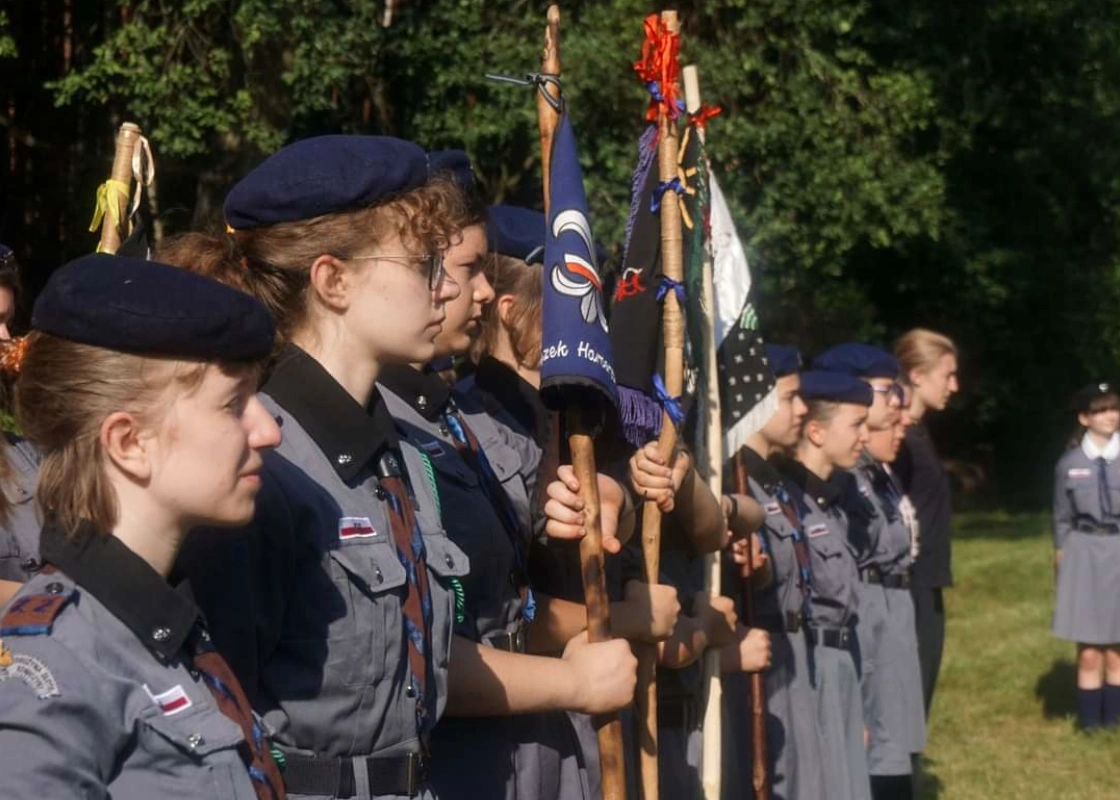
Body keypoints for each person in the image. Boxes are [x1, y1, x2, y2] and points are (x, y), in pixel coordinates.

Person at [375, 162, 641, 800]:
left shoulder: (460, 415)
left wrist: (617, 502)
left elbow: (525, 567)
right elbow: (443, 633)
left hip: (535, 719)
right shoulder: (436, 413)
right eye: (463, 271)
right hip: (474, 742)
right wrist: (618, 627)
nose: (482, 292)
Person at [0, 253, 286, 799]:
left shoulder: (162, 626)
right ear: (129, 443)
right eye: (234, 404)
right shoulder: (56, 668)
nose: (268, 430)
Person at [815, 344, 923, 800]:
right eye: (886, 391)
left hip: (892, 611)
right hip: (868, 612)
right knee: (874, 743)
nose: (897, 401)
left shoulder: (874, 468)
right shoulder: (843, 474)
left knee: (894, 738)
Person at [722, 343, 824, 800]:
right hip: (753, 663)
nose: (802, 408)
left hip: (788, 653)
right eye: (789, 397)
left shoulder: (775, 479)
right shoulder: (729, 480)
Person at [774, 370, 872, 800]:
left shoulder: (832, 501)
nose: (865, 436)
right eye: (856, 425)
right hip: (811, 667)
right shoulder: (790, 499)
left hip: (842, 663)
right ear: (816, 430)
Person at [893, 328, 959, 717]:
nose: (955, 385)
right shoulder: (899, 441)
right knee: (908, 703)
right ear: (916, 375)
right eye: (946, 375)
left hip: (927, 579)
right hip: (909, 584)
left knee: (920, 700)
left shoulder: (917, 434)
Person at [1052, 382, 1120, 730]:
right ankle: (1090, 724)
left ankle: (1113, 720)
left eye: (1113, 408)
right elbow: (1061, 519)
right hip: (1084, 552)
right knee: (1090, 648)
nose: (1110, 415)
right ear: (1084, 418)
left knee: (1117, 647)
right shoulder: (1070, 463)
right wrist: (1061, 560)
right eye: (1100, 409)